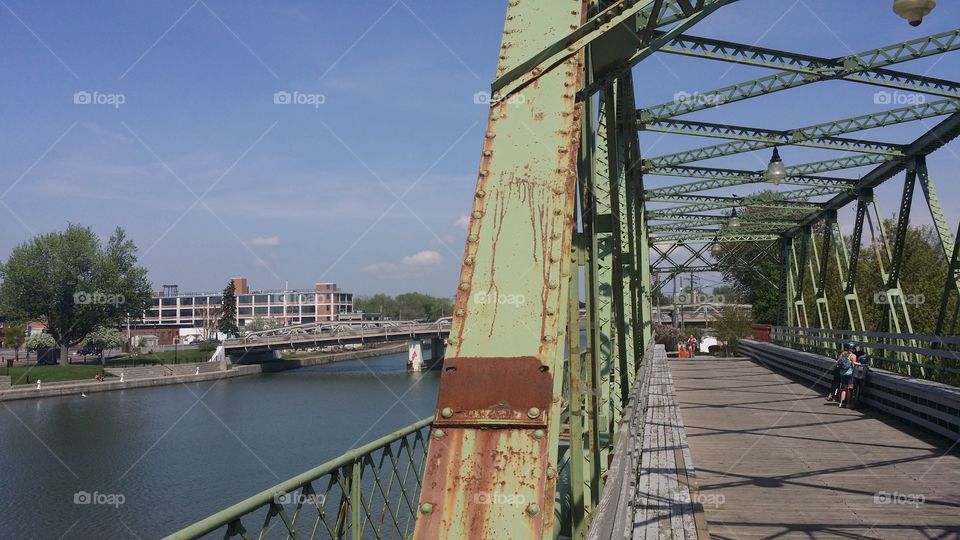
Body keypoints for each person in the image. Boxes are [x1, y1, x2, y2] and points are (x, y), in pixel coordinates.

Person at [835, 342, 861, 408]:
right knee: (850, 389)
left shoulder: (842, 354)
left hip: (842, 374)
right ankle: (848, 403)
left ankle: (841, 403)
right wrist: (859, 364)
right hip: (849, 374)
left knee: (844, 388)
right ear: (852, 348)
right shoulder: (853, 355)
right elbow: (853, 365)